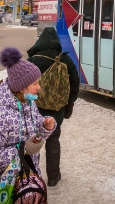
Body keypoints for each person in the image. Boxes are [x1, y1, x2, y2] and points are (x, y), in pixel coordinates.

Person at [0, 47, 56, 204]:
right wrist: (22, 150)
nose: (39, 87)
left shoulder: (29, 104)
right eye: (35, 83)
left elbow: (34, 136)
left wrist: (45, 127)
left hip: (27, 183)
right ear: (22, 87)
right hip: (2, 191)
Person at [27, 26, 80, 186]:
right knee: (53, 140)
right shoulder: (65, 60)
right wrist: (69, 104)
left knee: (34, 142)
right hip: (56, 110)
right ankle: (53, 177)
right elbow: (75, 84)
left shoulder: (33, 60)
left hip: (35, 109)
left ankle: (32, 176)